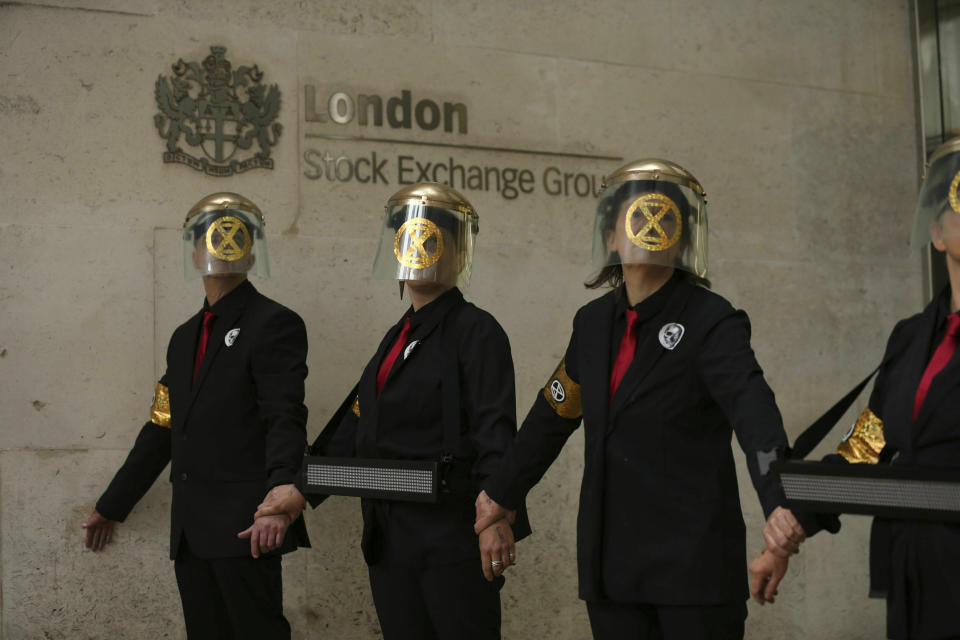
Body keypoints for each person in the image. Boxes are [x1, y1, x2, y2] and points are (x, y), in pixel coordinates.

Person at [473, 159, 804, 640]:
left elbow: (755, 416)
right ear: (611, 234)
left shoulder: (713, 321)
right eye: (636, 215)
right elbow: (552, 415)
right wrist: (500, 497)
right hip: (612, 570)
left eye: (666, 218)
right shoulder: (591, 325)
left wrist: (779, 504)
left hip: (694, 572)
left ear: (684, 241)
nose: (650, 227)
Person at [256, 182, 528, 640]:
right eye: (409, 237)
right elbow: (357, 426)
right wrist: (299, 491)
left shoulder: (477, 331)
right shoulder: (397, 338)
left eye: (433, 236)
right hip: (391, 542)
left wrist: (497, 517)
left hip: (451, 541)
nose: (420, 248)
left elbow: (494, 433)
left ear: (456, 252)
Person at [750, 136, 960, 639]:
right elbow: (865, 448)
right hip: (913, 568)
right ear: (936, 232)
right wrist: (785, 534)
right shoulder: (912, 338)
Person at [82, 192, 310, 639]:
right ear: (193, 250)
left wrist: (282, 495)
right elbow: (163, 426)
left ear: (250, 248)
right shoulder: (184, 337)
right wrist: (114, 504)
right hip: (191, 531)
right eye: (212, 234)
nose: (222, 244)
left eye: (235, 233)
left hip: (250, 525)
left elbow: (284, 417)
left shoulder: (274, 323)